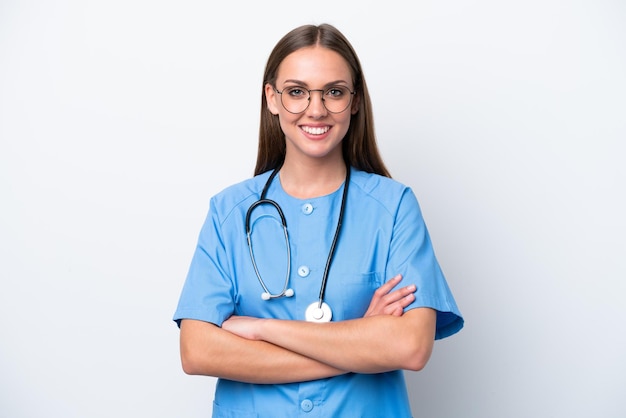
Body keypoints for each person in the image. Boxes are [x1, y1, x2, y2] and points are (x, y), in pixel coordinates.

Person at [173, 23, 463, 418]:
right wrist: (360, 343)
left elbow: (410, 347)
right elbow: (197, 350)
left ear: (355, 101)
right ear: (271, 99)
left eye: (334, 92)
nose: (316, 109)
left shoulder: (394, 208)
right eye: (296, 92)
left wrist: (262, 329)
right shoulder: (229, 212)